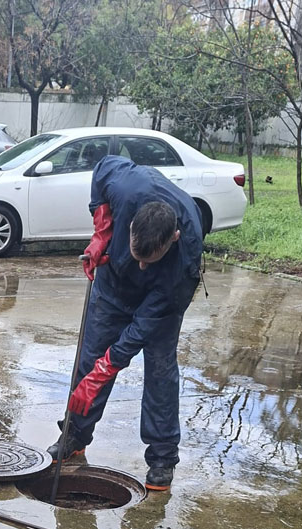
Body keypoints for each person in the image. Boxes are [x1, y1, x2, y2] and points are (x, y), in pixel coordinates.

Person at [48, 155, 204, 492]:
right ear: (129, 222)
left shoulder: (184, 261)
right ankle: (75, 434)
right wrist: (102, 228)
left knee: (160, 372)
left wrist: (109, 367)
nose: (143, 266)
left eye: (150, 260)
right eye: (138, 257)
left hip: (159, 303)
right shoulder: (127, 187)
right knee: (88, 359)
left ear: (173, 238)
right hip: (113, 284)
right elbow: (102, 167)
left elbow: (142, 329)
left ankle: (162, 458)